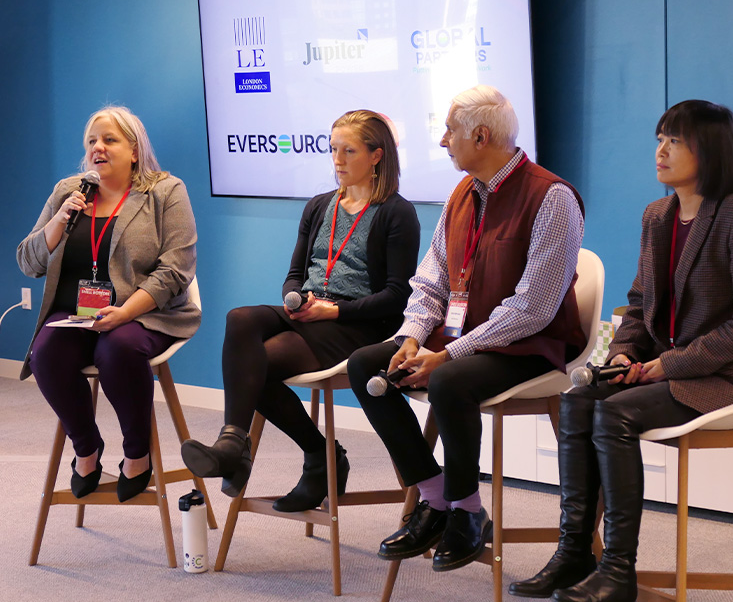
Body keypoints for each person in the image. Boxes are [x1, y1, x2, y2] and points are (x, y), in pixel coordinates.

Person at [508, 100, 733, 602]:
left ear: (711, 149)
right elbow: (639, 304)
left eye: (674, 141)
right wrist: (622, 353)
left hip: (723, 375)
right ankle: (573, 553)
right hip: (662, 365)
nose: (661, 150)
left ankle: (618, 569)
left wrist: (667, 366)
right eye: (660, 139)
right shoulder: (659, 215)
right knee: (577, 398)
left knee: (616, 415)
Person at [347, 85, 586, 573]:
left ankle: (467, 513)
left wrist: (448, 356)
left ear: (480, 135)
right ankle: (436, 501)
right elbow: (432, 279)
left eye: (449, 131)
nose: (441, 142)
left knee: (448, 380)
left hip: (527, 343)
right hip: (462, 337)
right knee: (366, 365)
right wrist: (412, 336)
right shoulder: (462, 193)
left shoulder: (552, 196)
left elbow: (533, 308)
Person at [181, 110, 420, 511]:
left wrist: (335, 313)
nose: (337, 160)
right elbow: (295, 274)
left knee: (254, 368)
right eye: (333, 150)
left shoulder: (397, 213)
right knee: (240, 319)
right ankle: (234, 443)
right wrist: (299, 299)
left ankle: (315, 455)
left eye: (349, 151)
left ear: (377, 156)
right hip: (310, 313)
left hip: (358, 325)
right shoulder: (319, 206)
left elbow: (397, 296)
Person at [17, 105, 199, 503]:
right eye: (92, 142)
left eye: (109, 139)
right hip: (78, 313)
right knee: (45, 353)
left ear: (134, 150)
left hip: (144, 311)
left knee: (118, 348)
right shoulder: (70, 191)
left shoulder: (166, 192)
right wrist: (57, 223)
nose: (98, 147)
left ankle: (136, 452)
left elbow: (176, 269)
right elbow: (28, 262)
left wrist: (125, 312)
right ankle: (86, 447)